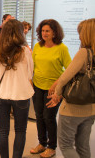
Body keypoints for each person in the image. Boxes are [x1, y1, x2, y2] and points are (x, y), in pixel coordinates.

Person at [47, 18, 95, 158]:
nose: (79, 35)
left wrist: (57, 94)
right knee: (83, 145)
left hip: (73, 109)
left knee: (66, 144)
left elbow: (64, 77)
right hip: (91, 108)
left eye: (80, 32)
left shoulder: (84, 53)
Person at [0, 19, 34, 158]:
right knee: (20, 131)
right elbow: (29, 73)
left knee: (3, 131)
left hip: (1, 94)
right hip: (21, 94)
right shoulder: (25, 51)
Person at [31, 19, 72, 158]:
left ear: (55, 32)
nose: (44, 33)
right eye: (42, 31)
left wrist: (56, 84)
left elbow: (69, 70)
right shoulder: (37, 46)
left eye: (47, 31)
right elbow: (32, 65)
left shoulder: (62, 48)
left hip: (53, 89)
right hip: (37, 86)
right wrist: (30, 80)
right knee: (39, 115)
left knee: (49, 117)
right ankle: (42, 143)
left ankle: (52, 147)